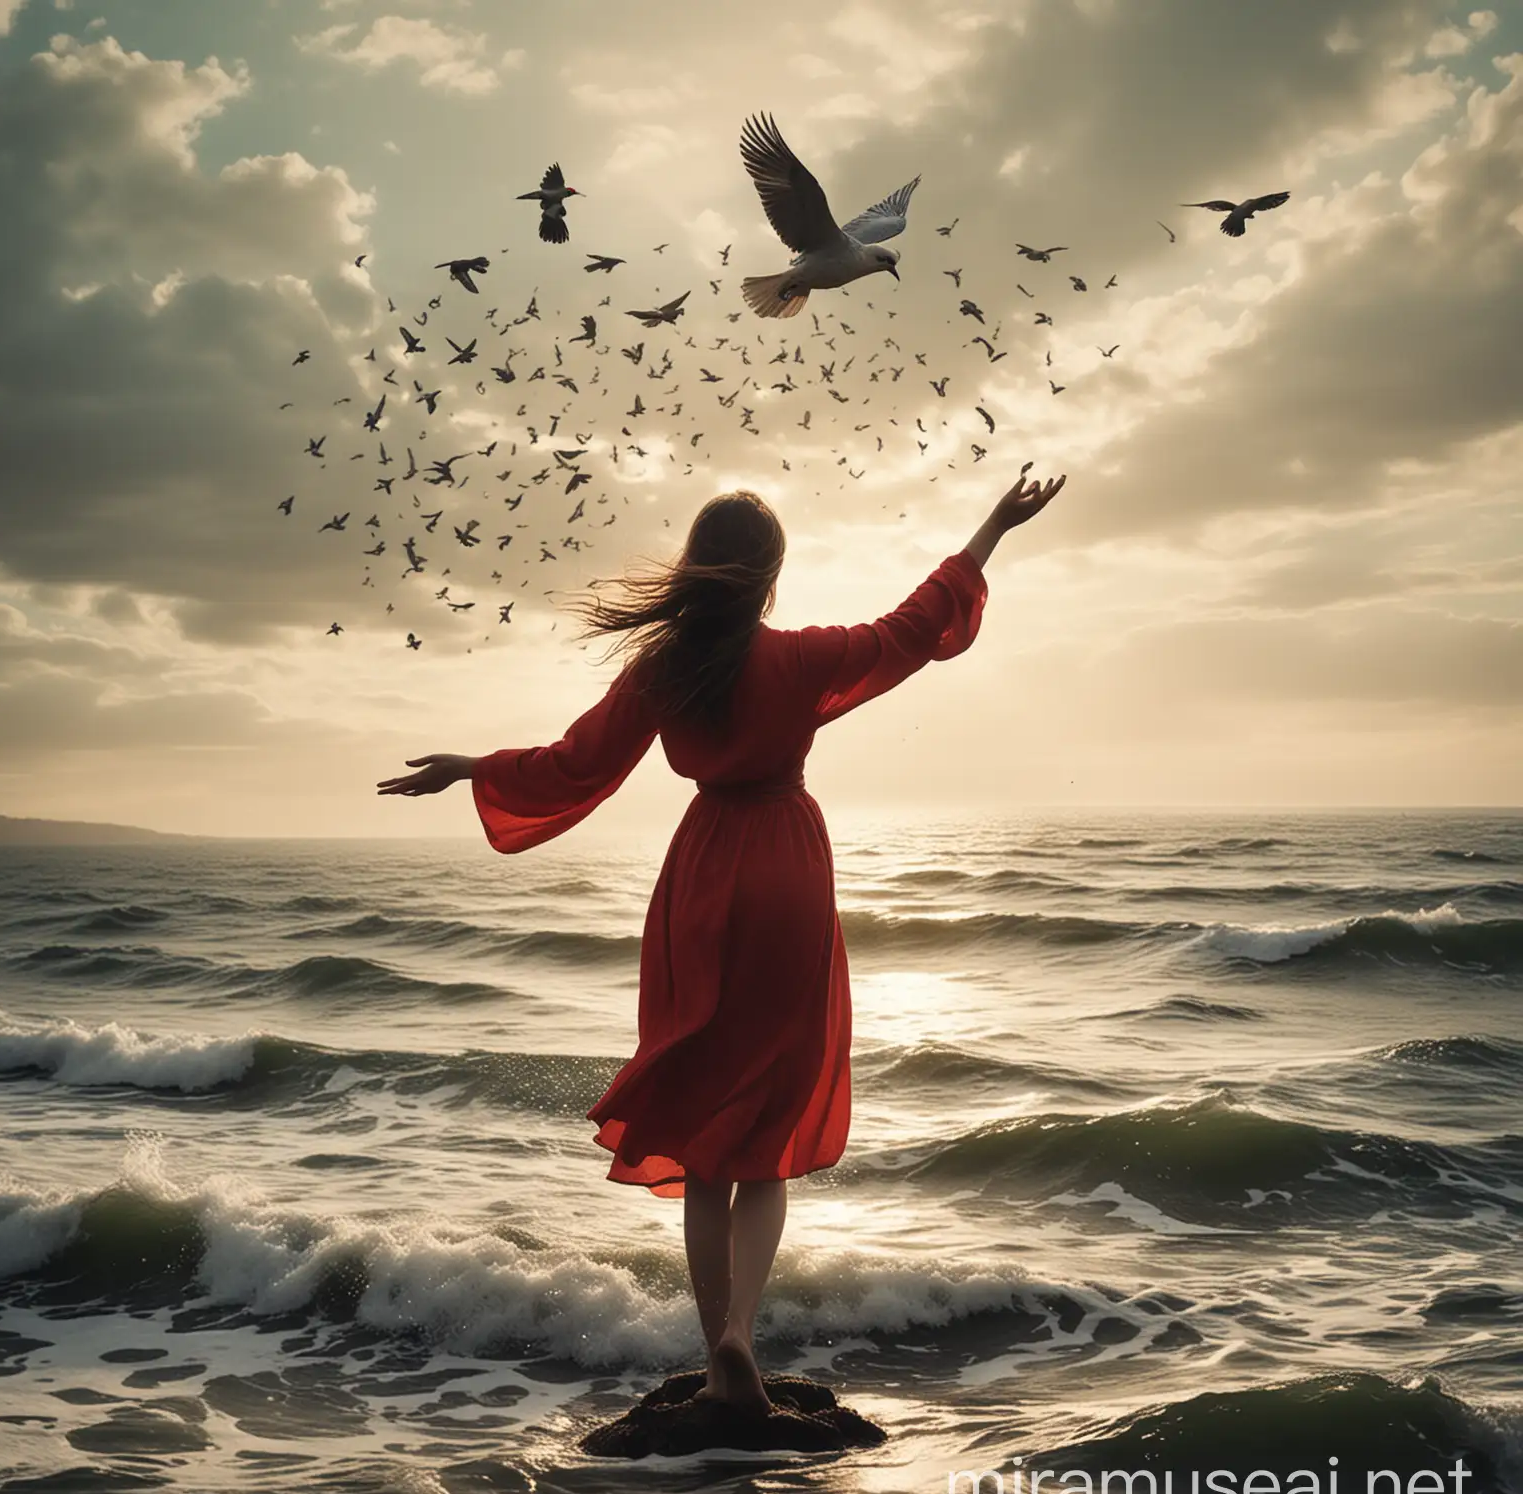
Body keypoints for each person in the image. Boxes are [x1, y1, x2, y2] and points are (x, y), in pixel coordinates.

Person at [376, 472, 1067, 1412]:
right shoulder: (800, 660)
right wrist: (995, 524)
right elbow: (914, 627)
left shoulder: (664, 669)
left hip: (704, 877)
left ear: (700, 569)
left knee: (707, 1134)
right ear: (771, 580)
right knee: (768, 1135)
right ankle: (744, 1333)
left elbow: (575, 764)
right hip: (787, 868)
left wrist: (474, 770)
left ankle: (715, 1359)